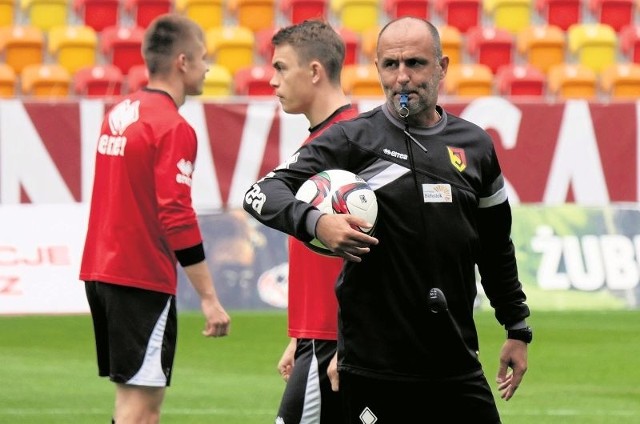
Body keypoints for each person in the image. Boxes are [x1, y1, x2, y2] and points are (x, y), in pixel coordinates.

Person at [244, 16, 532, 423]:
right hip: (375, 368)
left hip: (456, 363)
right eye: (390, 65)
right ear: (377, 68)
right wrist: (316, 223)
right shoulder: (352, 140)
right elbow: (261, 194)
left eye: (415, 63)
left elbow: (495, 247)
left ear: (442, 67)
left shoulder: (476, 147)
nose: (402, 77)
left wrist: (516, 327)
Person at [79, 14, 230, 424]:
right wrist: (209, 298)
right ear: (183, 62)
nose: (207, 67)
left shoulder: (120, 112)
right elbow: (176, 215)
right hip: (139, 277)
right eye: (202, 58)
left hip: (102, 270)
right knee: (142, 411)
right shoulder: (173, 127)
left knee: (130, 403)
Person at [268, 20, 359, 424]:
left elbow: (374, 253)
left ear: (315, 72)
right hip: (318, 336)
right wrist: (299, 335)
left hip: (334, 342)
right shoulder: (322, 141)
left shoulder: (354, 142)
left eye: (281, 67)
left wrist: (348, 341)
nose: (273, 81)